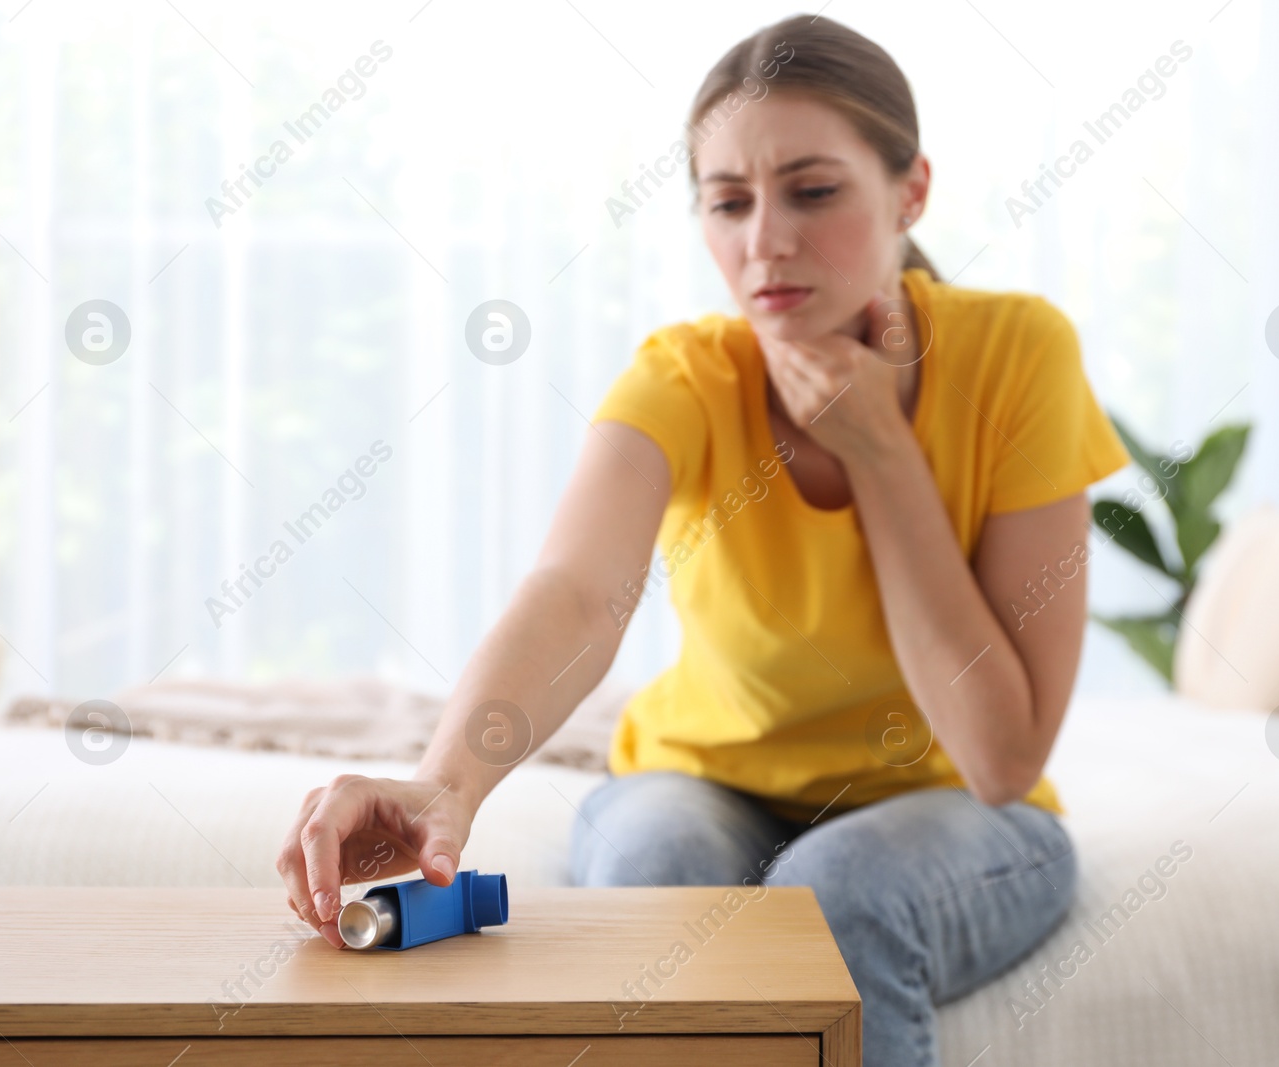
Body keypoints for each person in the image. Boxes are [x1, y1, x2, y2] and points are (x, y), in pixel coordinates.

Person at [278, 13, 1130, 1065]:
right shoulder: (685, 372)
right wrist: (445, 783)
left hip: (951, 802)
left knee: (836, 893)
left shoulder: (1018, 353)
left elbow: (1002, 757)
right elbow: (577, 590)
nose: (763, 240)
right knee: (656, 858)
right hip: (702, 782)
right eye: (726, 202)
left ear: (909, 192)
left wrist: (880, 455)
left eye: (811, 191)